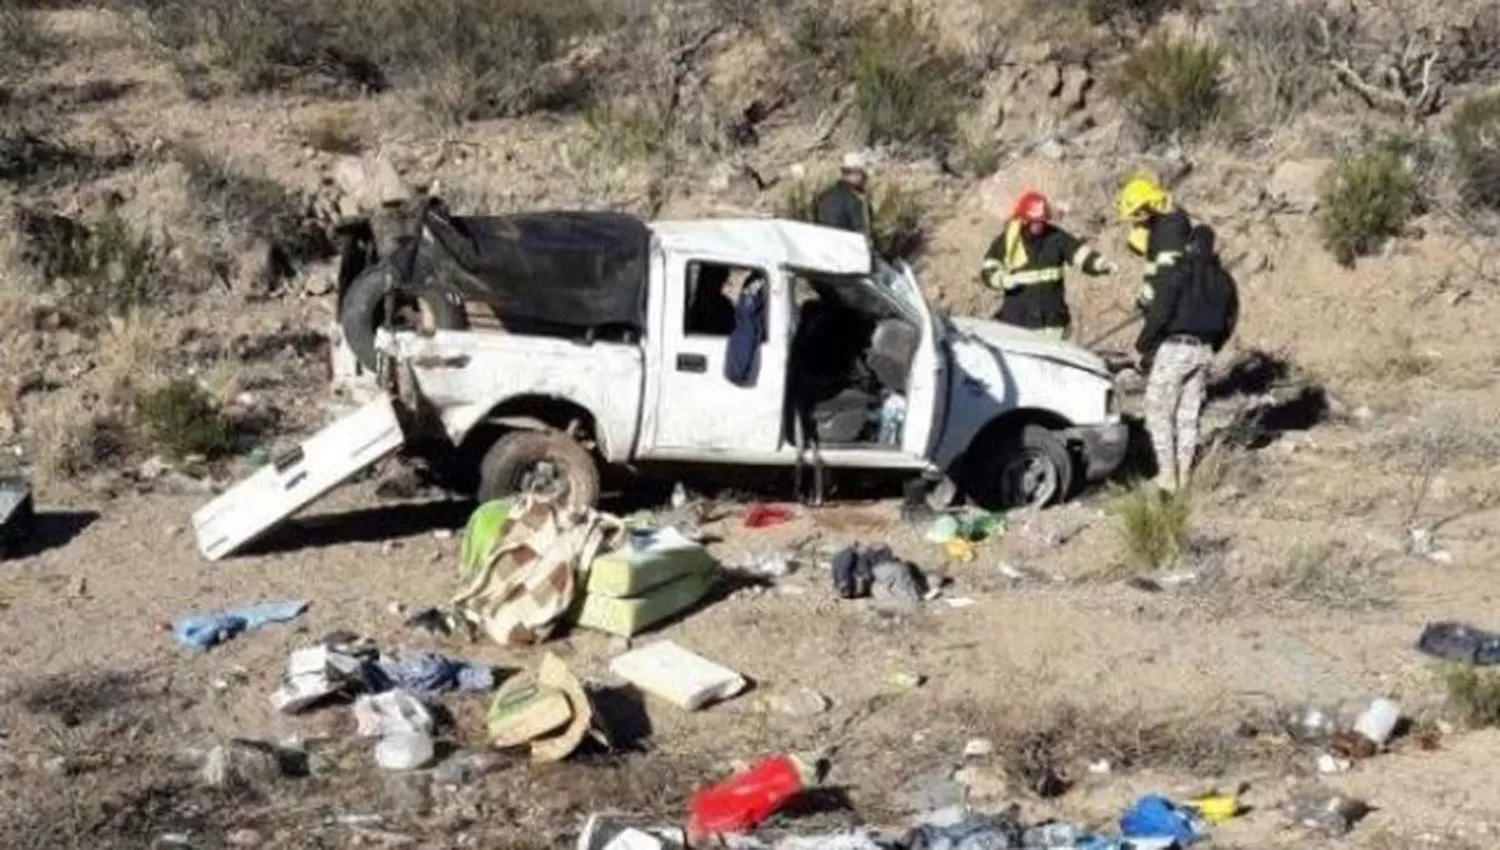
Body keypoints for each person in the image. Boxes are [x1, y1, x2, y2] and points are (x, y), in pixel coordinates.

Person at [1132, 217, 1239, 493]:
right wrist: (1215, 345)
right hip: (1204, 351)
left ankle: (1167, 476)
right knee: (1188, 416)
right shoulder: (1224, 280)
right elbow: (1231, 318)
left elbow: (1160, 312)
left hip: (1175, 347)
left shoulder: (1178, 271)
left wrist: (1144, 344)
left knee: (1157, 410)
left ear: (1189, 244)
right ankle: (1185, 475)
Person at [979, 190, 1115, 340]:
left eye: (1042, 221)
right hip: (1019, 323)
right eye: (1035, 221)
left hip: (1053, 322)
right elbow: (989, 269)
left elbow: (1078, 253)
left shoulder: (1056, 238)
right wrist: (1002, 279)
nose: (1039, 225)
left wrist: (1099, 263)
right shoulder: (1009, 241)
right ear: (1024, 219)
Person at [1116, 173, 1194, 315]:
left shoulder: (1170, 229)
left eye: (1138, 213)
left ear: (1149, 204)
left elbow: (1167, 273)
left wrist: (1148, 297)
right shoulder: (1160, 224)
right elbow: (1154, 263)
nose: (1137, 220)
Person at [813, 152, 872, 239]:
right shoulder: (854, 200)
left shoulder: (823, 195)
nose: (865, 181)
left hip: (825, 248)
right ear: (857, 174)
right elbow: (860, 236)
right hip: (846, 249)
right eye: (863, 176)